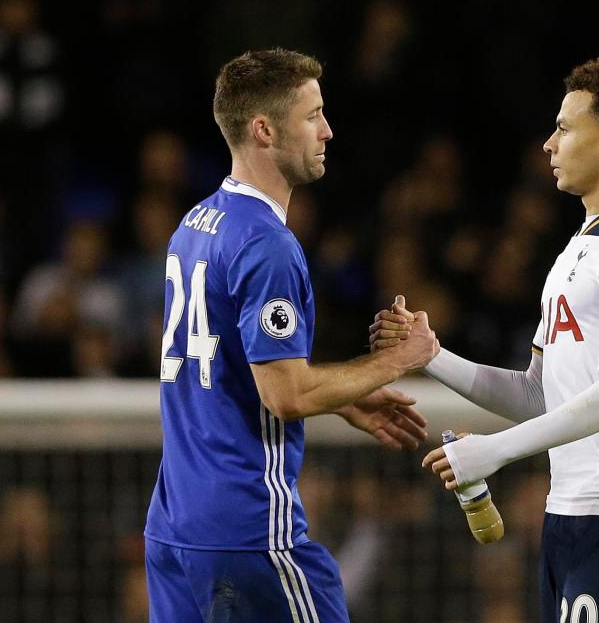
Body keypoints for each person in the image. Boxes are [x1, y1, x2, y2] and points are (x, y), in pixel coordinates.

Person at [370, 53, 599, 622]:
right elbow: (540, 395)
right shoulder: (575, 250)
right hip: (570, 504)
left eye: (565, 128)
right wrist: (433, 357)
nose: (549, 143)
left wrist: (493, 450)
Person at [144, 48, 439, 623]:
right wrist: (396, 360)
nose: (328, 130)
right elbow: (286, 394)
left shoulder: (197, 222)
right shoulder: (267, 244)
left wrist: (346, 396)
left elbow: (241, 370)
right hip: (248, 531)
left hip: (175, 524)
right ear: (264, 130)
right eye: (312, 116)